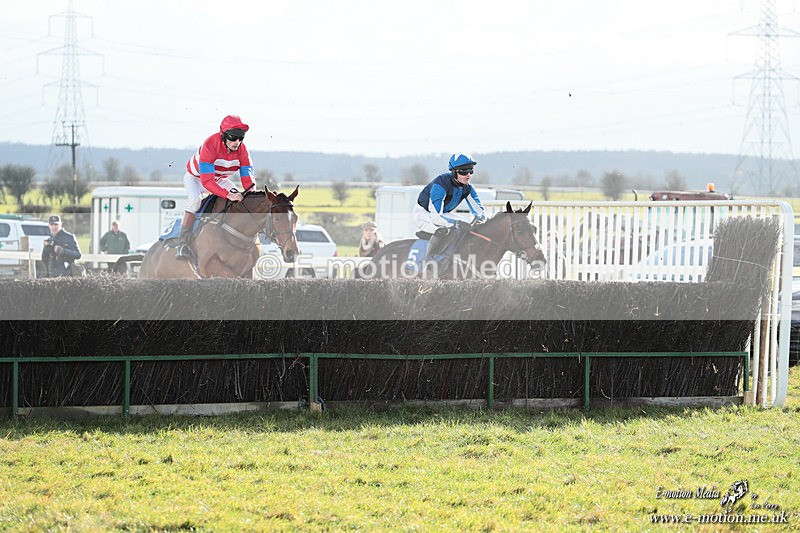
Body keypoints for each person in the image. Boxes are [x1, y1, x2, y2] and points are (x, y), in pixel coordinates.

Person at [175, 114, 256, 260]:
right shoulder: (210, 144)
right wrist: (228, 194)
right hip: (196, 179)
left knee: (241, 201)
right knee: (195, 202)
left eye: (241, 137)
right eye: (233, 137)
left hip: (219, 179)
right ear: (223, 135)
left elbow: (248, 179)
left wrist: (252, 197)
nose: (237, 142)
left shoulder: (242, 150)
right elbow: (207, 182)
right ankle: (182, 243)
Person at [413, 152, 486, 263]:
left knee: (467, 224)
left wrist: (479, 221)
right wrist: (457, 224)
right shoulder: (440, 185)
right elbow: (436, 218)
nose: (468, 175)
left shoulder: (468, 188)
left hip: (443, 214)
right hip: (423, 214)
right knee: (442, 230)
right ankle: (428, 262)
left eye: (471, 171)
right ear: (454, 172)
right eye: (464, 171)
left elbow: (479, 212)